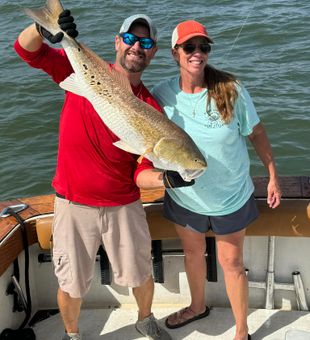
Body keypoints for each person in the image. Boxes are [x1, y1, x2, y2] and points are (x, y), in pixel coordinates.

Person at [14, 10, 192, 340]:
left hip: (123, 205)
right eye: (129, 38)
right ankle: (73, 334)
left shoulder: (150, 106)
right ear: (117, 42)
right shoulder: (80, 72)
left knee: (141, 273)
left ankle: (145, 319)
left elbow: (142, 171)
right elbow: (26, 50)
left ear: (152, 52)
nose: (136, 46)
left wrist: (168, 179)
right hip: (73, 203)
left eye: (145, 42)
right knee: (71, 282)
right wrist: (41, 29)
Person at [136, 20, 282, 340]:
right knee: (192, 253)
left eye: (203, 47)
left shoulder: (230, 89)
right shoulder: (160, 95)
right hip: (187, 198)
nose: (197, 53)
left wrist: (272, 175)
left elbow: (256, 132)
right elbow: (132, 113)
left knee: (231, 262)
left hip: (230, 195)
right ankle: (197, 306)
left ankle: (242, 331)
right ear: (175, 54)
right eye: (189, 47)